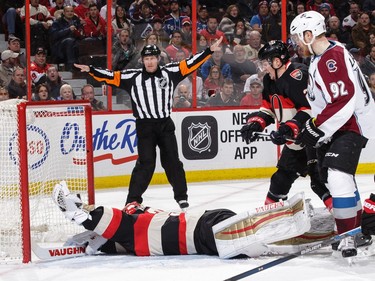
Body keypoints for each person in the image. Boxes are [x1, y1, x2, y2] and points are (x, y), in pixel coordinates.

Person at [74, 37, 225, 211]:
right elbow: (111, 77)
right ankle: (133, 200)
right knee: (146, 164)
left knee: (173, 162)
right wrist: (91, 69)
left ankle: (181, 197)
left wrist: (209, 51)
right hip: (145, 127)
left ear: (158, 59)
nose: (150, 61)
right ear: (142, 61)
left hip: (165, 125)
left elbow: (191, 63)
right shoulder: (132, 77)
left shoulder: (171, 72)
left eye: (153, 58)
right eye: (147, 59)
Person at [290, 10, 375, 257]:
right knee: (335, 176)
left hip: (353, 123)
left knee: (338, 176)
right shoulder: (323, 55)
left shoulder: (331, 58)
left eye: (298, 37)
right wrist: (305, 127)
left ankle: (349, 234)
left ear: (309, 34)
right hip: (342, 122)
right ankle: (354, 227)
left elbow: (343, 100)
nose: (296, 42)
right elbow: (322, 103)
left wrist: (316, 129)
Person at [52, 180, 312, 259]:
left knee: (237, 225)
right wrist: (85, 223)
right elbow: (113, 226)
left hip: (200, 224)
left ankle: (287, 225)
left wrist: (137, 208)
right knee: (241, 231)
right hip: (197, 234)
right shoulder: (131, 229)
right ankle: (77, 212)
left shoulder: (135, 229)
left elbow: (113, 234)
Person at [240, 40, 333, 214]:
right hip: (295, 141)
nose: (263, 68)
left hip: (314, 138)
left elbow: (309, 109)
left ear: (277, 61)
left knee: (319, 183)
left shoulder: (298, 75)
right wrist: (255, 124)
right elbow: (269, 108)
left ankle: (345, 221)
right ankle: (272, 220)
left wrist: (287, 129)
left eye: (266, 63)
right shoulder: (269, 80)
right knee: (279, 181)